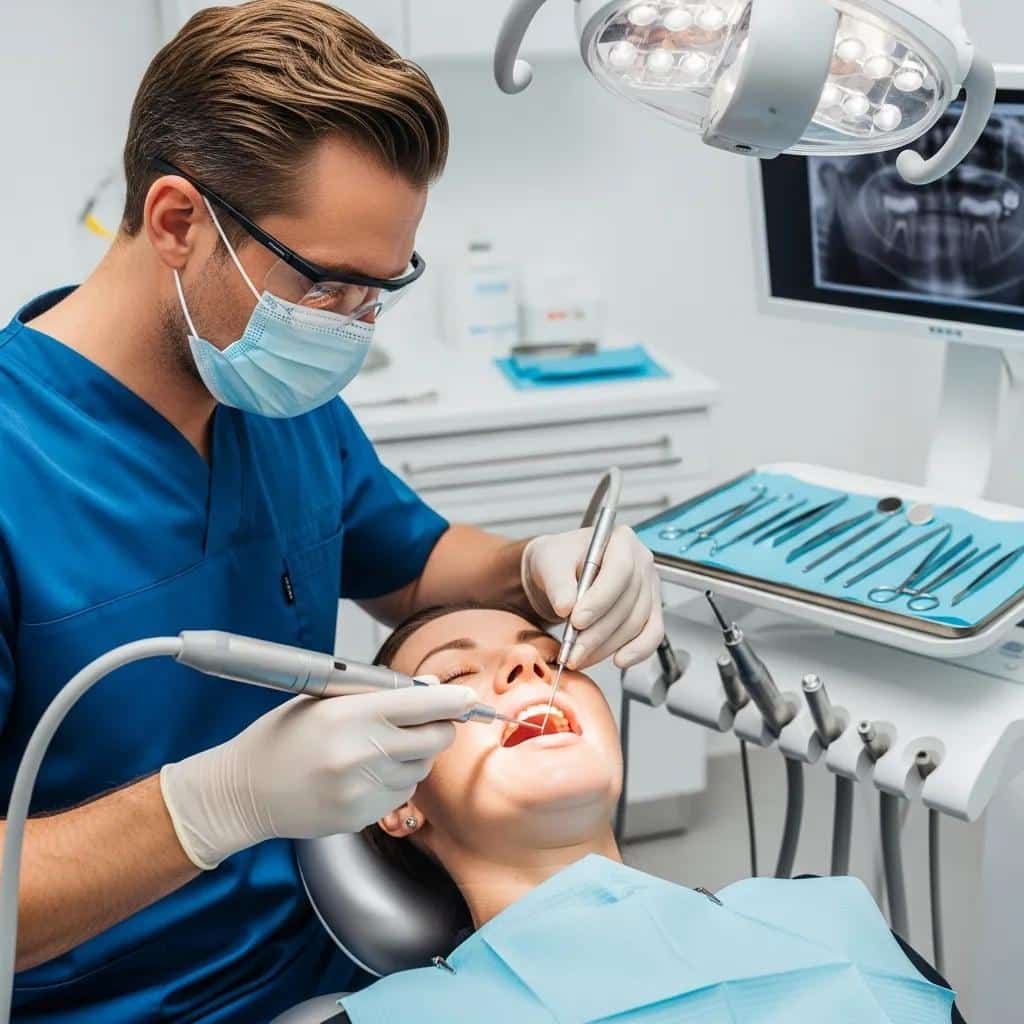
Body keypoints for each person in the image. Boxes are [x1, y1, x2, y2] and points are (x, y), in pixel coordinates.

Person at [0, 3, 663, 1021]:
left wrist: (536, 566)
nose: (353, 327)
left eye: (382, 289)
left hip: (342, 971)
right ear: (178, 222)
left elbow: (413, 563)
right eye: (330, 286)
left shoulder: (275, 400)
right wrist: (212, 804)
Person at [321, 604, 965, 1023]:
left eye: (555, 657)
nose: (529, 665)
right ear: (400, 801)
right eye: (456, 673)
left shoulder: (829, 918)